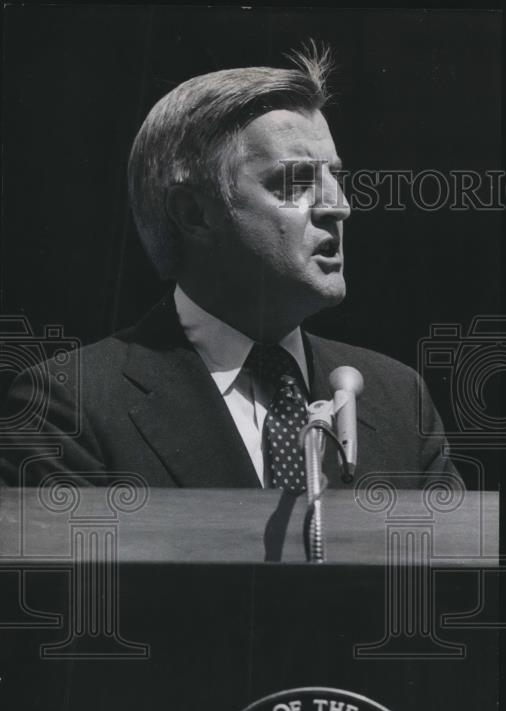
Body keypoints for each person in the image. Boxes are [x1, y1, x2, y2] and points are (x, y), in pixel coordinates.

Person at [0, 44, 458, 491]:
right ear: (193, 214)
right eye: (297, 182)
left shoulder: (398, 398)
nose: (339, 206)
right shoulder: (69, 408)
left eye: (334, 177)